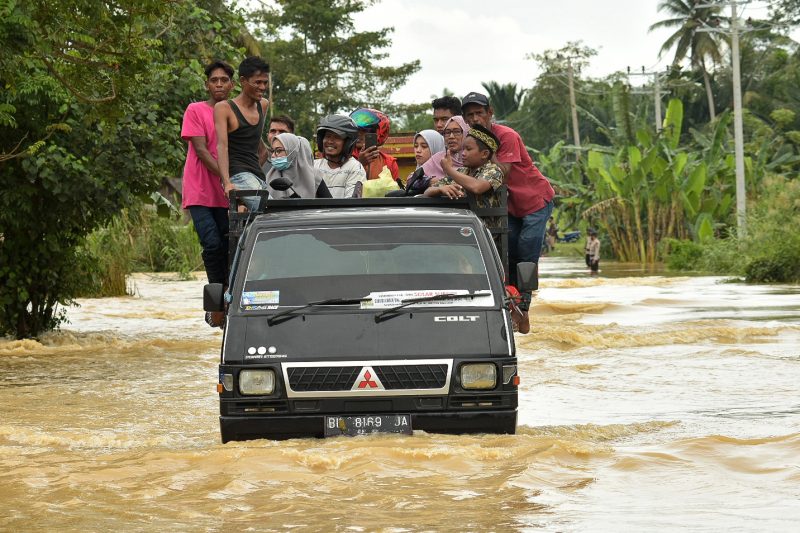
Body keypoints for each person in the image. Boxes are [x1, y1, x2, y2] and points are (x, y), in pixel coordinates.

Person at [462, 91, 555, 332]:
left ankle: (524, 306)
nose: (475, 119)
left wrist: (460, 172)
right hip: (511, 207)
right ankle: (511, 308)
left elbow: (501, 171)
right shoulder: (471, 141)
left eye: (479, 113)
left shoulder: (507, 136)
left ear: (490, 113)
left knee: (526, 249)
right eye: (469, 115)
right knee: (506, 251)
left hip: (535, 200)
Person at [181, 60, 234, 329]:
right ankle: (216, 306)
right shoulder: (196, 110)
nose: (219, 85)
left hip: (228, 193)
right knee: (212, 244)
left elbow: (252, 148)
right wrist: (226, 179)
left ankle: (230, 298)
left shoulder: (233, 113)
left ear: (232, 85)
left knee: (231, 247)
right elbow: (201, 150)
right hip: (201, 191)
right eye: (214, 80)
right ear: (207, 84)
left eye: (224, 80)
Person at [214, 56, 271, 212]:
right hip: (237, 174)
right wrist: (227, 183)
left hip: (257, 175)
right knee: (271, 211)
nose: (262, 87)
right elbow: (222, 147)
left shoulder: (263, 105)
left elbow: (256, 141)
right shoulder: (224, 108)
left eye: (265, 82)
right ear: (243, 81)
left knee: (257, 221)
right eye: (257, 82)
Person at [424, 124, 504, 232]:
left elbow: (477, 187)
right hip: (460, 231)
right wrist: (439, 189)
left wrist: (449, 170)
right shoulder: (462, 172)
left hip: (484, 237)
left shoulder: (494, 170)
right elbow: (427, 192)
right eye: (463, 149)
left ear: (484, 154)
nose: (463, 153)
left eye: (468, 149)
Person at [313, 115, 366, 198]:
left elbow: (350, 205)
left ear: (348, 143)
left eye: (337, 137)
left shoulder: (354, 168)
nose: (330, 141)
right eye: (327, 136)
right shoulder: (314, 166)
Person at [265, 133, 332, 199]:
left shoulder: (314, 176)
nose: (273, 155)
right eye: (273, 151)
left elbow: (331, 206)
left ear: (293, 152)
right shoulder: (269, 176)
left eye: (278, 151)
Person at [387, 129, 444, 197]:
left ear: (436, 148)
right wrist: (429, 182)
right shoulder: (414, 176)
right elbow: (411, 180)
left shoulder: (451, 171)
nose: (418, 150)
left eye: (424, 146)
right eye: (416, 146)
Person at [350, 107, 400, 181]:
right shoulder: (343, 157)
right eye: (357, 129)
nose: (359, 133)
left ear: (377, 134)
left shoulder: (389, 162)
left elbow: (395, 190)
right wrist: (360, 164)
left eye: (365, 130)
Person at [421, 116, 471, 184]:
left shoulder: (474, 158)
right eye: (447, 132)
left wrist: (448, 174)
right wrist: (430, 181)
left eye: (456, 132)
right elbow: (411, 179)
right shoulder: (439, 158)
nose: (451, 136)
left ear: (466, 133)